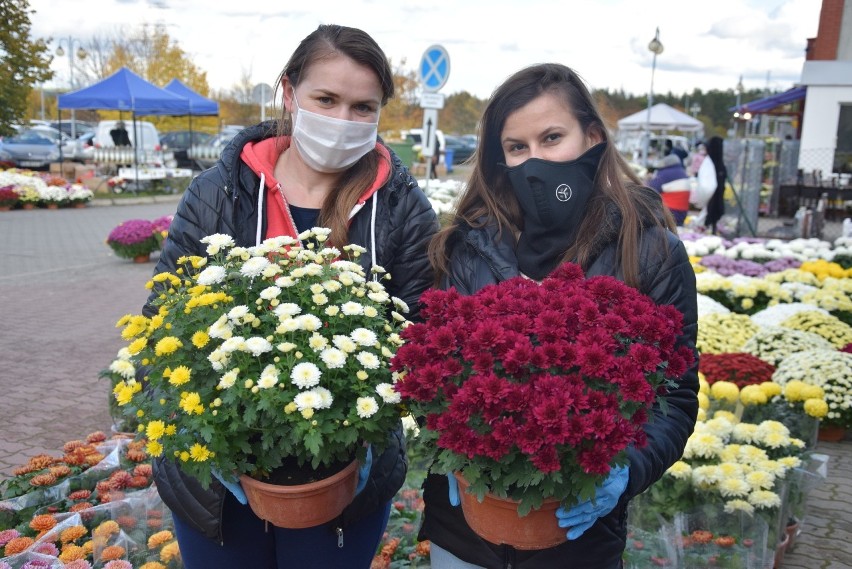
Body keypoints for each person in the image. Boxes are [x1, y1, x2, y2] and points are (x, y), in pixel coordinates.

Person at [144, 24, 438, 569]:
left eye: (361, 107)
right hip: (213, 477)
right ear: (289, 93)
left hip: (342, 473)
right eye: (326, 99)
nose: (342, 121)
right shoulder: (220, 190)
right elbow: (163, 319)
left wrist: (367, 423)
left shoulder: (400, 207)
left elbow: (422, 332)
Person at [420, 63, 699, 568]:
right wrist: (449, 448)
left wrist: (625, 472)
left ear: (592, 136)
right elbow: (433, 375)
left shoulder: (650, 252)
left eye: (552, 138)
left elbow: (673, 401)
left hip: (578, 535)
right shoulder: (466, 245)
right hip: (461, 531)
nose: (535, 162)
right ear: (499, 157)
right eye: (517, 147)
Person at [648, 153, 690, 225]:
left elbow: (650, 189)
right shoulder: (683, 172)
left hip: (668, 212)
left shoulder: (665, 173)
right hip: (682, 212)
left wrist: (648, 179)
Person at [703, 136, 727, 234]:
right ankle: (712, 227)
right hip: (718, 190)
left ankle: (710, 226)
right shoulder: (719, 163)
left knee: (711, 207)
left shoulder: (710, 162)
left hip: (713, 193)